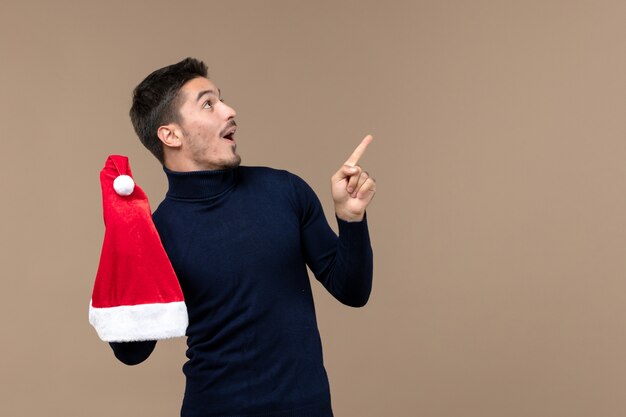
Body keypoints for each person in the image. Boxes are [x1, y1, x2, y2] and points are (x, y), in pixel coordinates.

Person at [109, 57, 376, 417]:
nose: (229, 110)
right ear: (170, 134)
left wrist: (351, 218)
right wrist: (124, 248)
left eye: (222, 99)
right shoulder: (157, 234)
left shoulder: (285, 190)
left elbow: (352, 290)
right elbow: (132, 354)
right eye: (208, 104)